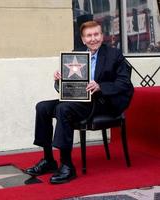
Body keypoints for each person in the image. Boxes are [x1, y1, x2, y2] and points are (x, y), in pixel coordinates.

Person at [24, 21, 134, 184]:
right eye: (89, 36)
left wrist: (100, 86)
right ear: (83, 40)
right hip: (79, 100)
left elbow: (125, 83)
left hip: (102, 102)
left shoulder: (114, 54)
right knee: (42, 107)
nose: (93, 39)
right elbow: (67, 89)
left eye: (96, 34)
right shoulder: (77, 57)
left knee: (63, 108)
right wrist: (59, 80)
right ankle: (48, 160)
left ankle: (67, 166)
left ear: (102, 36)